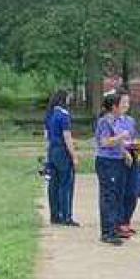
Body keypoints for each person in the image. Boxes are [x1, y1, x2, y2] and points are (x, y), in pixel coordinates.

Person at [94, 92, 128, 246]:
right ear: (114, 107)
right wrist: (121, 137)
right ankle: (107, 231)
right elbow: (104, 142)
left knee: (116, 195)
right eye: (122, 104)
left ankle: (114, 227)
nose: (124, 107)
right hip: (107, 161)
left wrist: (124, 152)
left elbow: (117, 142)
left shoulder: (116, 121)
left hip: (117, 160)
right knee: (109, 196)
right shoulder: (105, 122)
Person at [44, 89, 79, 226]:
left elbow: (46, 137)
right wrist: (74, 155)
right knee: (66, 183)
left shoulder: (50, 115)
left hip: (52, 150)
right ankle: (66, 215)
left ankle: (55, 215)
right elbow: (67, 137)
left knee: (54, 184)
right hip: (62, 151)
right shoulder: (64, 115)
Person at [115, 90, 139, 236]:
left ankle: (126, 220)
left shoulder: (130, 121)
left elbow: (134, 139)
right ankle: (119, 223)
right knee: (120, 191)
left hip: (133, 155)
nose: (126, 105)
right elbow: (113, 140)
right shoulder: (112, 120)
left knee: (133, 191)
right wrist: (124, 152)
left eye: (127, 102)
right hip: (119, 158)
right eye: (123, 102)